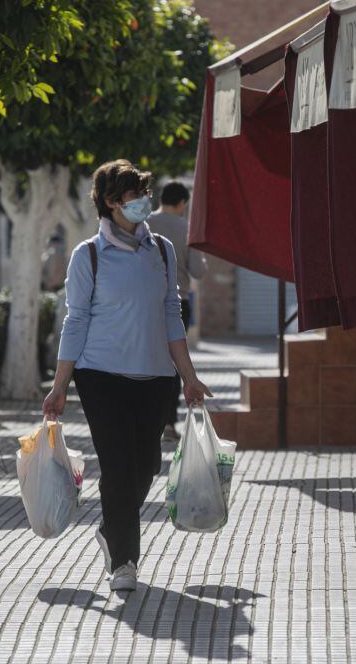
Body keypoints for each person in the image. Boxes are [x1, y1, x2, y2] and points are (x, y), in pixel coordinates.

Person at [42, 161, 212, 594]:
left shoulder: (161, 251)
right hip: (101, 376)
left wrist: (188, 376)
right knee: (118, 468)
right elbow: (75, 321)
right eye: (134, 196)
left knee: (147, 467)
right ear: (112, 202)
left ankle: (110, 528)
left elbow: (171, 314)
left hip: (156, 376)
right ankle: (124, 561)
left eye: (143, 194)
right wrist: (60, 386)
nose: (143, 203)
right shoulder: (89, 256)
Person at [147, 182, 207, 440]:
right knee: (174, 364)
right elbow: (198, 271)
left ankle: (145, 419)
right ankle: (168, 423)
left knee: (145, 360)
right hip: (176, 304)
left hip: (144, 305)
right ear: (183, 203)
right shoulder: (187, 229)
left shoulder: (142, 225)